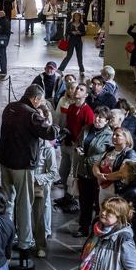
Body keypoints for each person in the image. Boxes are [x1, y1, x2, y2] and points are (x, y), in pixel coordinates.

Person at [0, 85, 59, 253]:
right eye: (41, 100)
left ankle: (6, 238)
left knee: (8, 202)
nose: (40, 103)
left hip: (5, 161)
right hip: (21, 166)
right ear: (35, 99)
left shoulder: (10, 107)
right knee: (24, 204)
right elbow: (49, 133)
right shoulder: (31, 114)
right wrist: (56, 127)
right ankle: (24, 242)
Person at [73, 106, 114, 237]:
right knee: (84, 201)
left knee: (98, 203)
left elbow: (110, 154)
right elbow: (78, 142)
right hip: (83, 170)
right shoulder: (86, 128)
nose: (97, 119)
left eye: (101, 117)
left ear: (107, 121)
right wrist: (78, 148)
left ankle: (97, 230)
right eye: (96, 116)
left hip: (97, 173)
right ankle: (83, 227)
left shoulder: (109, 135)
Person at [56, 82, 94, 211]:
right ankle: (66, 196)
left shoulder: (88, 112)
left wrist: (79, 144)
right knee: (63, 172)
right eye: (77, 88)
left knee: (73, 175)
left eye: (81, 89)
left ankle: (73, 201)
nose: (77, 90)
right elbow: (69, 124)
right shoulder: (72, 107)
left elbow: (89, 132)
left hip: (76, 148)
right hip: (67, 143)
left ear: (86, 95)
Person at [32, 115, 59, 258]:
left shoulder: (48, 148)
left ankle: (40, 245)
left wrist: (36, 178)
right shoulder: (26, 143)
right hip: (24, 183)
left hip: (38, 186)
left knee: (39, 217)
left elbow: (53, 173)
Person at [95, 125, 136, 203]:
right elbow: (96, 165)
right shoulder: (109, 150)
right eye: (113, 135)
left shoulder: (130, 154)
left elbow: (122, 173)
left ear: (126, 138)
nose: (113, 137)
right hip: (104, 189)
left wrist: (104, 177)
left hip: (119, 191)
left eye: (117, 135)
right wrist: (98, 174)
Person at [59, 11, 87, 76]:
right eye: (75, 16)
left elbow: (84, 33)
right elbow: (67, 32)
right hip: (71, 40)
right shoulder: (70, 23)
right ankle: (60, 69)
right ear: (73, 17)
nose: (76, 17)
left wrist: (79, 33)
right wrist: (72, 32)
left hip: (79, 41)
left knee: (79, 56)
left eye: (78, 16)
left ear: (80, 17)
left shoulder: (82, 24)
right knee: (69, 55)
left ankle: (82, 70)